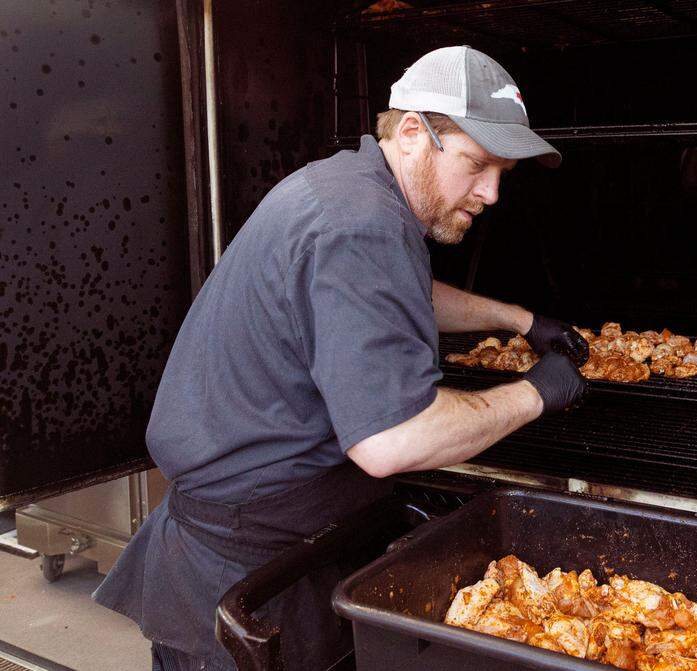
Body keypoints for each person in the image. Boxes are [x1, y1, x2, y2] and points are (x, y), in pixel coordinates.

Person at [93, 45, 589, 670]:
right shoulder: (358, 224)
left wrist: (519, 320)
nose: (491, 193)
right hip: (248, 568)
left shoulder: (351, 192)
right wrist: (537, 391)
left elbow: (393, 293)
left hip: (270, 535)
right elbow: (392, 441)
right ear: (413, 132)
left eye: (503, 174)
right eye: (477, 164)